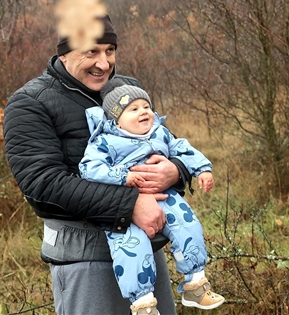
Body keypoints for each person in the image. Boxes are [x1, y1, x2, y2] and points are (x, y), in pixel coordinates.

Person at [4, 13, 192, 315]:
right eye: (91, 51)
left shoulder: (127, 89)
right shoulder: (30, 103)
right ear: (64, 53)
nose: (103, 63)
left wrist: (176, 171)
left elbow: (165, 141)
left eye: (109, 51)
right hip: (85, 259)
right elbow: (43, 184)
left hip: (144, 252)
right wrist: (130, 204)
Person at [80, 78, 225, 314]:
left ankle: (196, 284)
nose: (143, 112)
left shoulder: (160, 133)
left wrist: (202, 169)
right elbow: (89, 168)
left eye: (146, 106)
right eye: (133, 109)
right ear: (116, 119)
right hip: (124, 204)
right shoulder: (106, 141)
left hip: (164, 195)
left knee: (188, 226)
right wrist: (122, 176)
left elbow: (183, 149)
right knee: (131, 247)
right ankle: (142, 303)